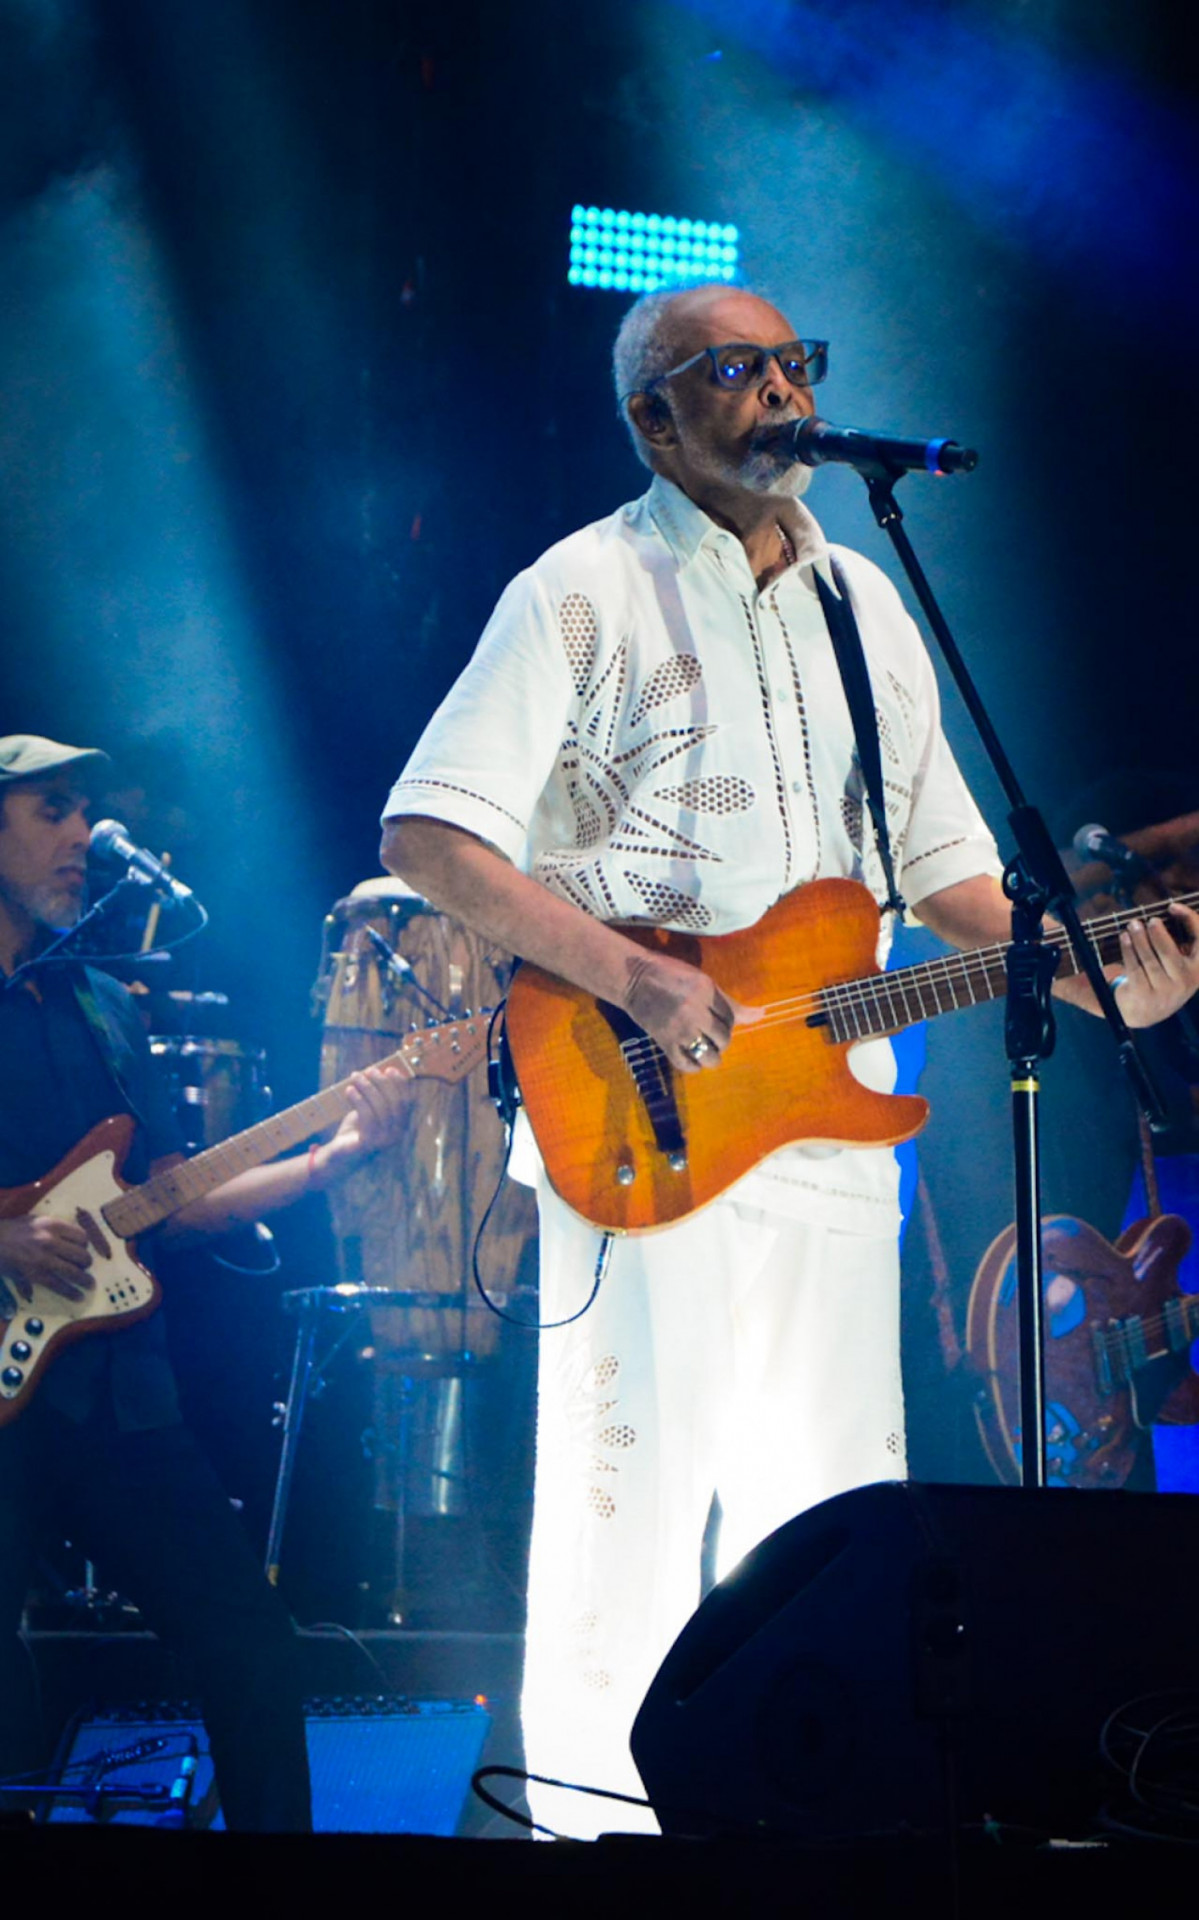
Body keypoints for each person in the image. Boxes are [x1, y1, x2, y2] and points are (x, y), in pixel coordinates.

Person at [378, 285, 1199, 1835]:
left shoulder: (865, 608)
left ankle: (797, 1842)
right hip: (635, 1106)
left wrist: (1107, 988)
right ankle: (587, 1837)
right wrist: (627, 971)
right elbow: (424, 830)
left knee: (826, 1518)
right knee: (630, 1514)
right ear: (652, 418)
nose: (776, 392)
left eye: (790, 365)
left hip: (823, 1140)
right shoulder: (577, 591)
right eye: (731, 371)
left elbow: (948, 876)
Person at [0, 733, 410, 1830]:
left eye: (86, 812)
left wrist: (330, 1160)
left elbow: (168, 1204)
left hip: (122, 1396)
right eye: (50, 812)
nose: (82, 836)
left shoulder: (103, 1004)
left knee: (251, 1643)